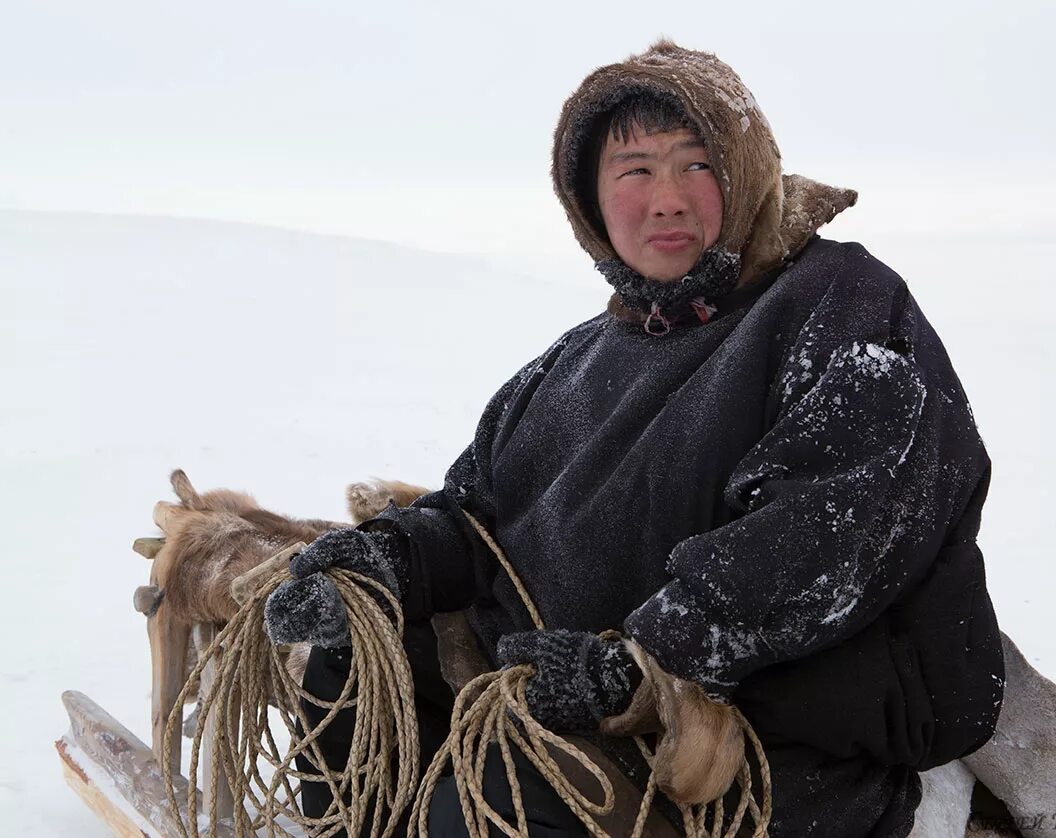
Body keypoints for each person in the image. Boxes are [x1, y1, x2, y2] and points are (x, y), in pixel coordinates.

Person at [265, 39, 1005, 837]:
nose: (668, 199)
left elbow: (837, 526)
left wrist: (644, 666)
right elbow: (480, 519)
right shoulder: (573, 362)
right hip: (566, 694)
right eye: (636, 170)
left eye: (698, 165)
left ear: (747, 169)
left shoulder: (841, 302)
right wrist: (390, 562)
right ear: (589, 197)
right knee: (351, 676)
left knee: (497, 801)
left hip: (769, 738)